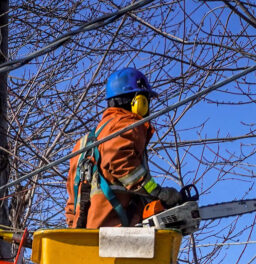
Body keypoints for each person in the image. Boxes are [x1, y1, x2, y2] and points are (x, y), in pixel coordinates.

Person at [65, 68, 191, 229]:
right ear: (139, 102)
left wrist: (73, 229)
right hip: (118, 229)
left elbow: (71, 199)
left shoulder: (82, 144)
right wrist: (159, 193)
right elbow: (122, 164)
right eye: (146, 101)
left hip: (87, 235)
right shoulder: (126, 125)